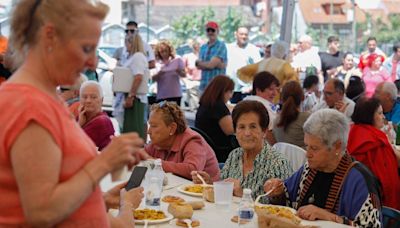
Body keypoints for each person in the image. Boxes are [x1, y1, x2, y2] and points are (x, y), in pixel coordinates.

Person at [0, 0, 148, 226]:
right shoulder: (30, 105)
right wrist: (105, 162)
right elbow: (42, 212)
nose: (92, 62)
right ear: (50, 36)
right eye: (86, 48)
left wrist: (97, 200)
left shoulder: (44, 98)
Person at [264, 109, 382, 227]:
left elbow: (371, 226)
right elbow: (287, 201)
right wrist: (277, 192)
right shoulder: (309, 169)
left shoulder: (360, 181)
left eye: (314, 148)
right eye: (307, 146)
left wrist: (328, 216)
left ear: (337, 146)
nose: (307, 154)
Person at [192, 100, 292, 199]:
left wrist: (242, 195)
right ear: (235, 132)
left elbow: (280, 209)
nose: (247, 133)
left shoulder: (278, 164)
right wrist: (209, 183)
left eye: (253, 127)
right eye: (241, 127)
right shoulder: (234, 155)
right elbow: (223, 188)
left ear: (264, 131)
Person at [145, 101, 220, 181]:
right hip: (177, 188)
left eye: (154, 126)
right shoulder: (159, 142)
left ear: (172, 128)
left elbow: (193, 170)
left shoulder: (193, 141)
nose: (148, 131)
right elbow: (142, 157)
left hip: (206, 191)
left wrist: (155, 163)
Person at [347, 97, 400, 210]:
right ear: (369, 116)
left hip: (353, 196)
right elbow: (388, 182)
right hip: (377, 202)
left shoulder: (352, 131)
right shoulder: (377, 141)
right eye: (380, 113)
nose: (384, 117)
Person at [195, 75, 235, 162]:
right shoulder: (219, 107)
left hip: (205, 147)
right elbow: (230, 130)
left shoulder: (205, 104)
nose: (231, 96)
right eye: (230, 92)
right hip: (219, 150)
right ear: (223, 91)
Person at [119, 34, 149, 139]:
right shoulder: (136, 56)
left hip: (136, 99)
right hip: (134, 97)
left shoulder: (137, 57)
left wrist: (130, 96)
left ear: (130, 43)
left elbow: (138, 77)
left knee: (134, 132)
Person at [243, 71, 280, 145]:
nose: (275, 93)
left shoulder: (246, 101)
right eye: (271, 89)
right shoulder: (260, 107)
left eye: (276, 89)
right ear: (258, 90)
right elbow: (268, 133)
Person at [78, 81, 115, 151]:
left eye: (93, 97)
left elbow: (74, 145)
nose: (88, 101)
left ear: (102, 100)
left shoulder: (101, 121)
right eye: (84, 97)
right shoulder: (81, 116)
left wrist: (79, 126)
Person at [273, 81, 310, 149]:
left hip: (281, 159)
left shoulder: (276, 121)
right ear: (303, 97)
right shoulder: (307, 118)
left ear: (281, 99)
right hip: (304, 159)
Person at [226, 26, 262, 95]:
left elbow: (258, 70)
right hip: (231, 88)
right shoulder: (228, 48)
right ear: (235, 34)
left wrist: (252, 87)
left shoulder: (253, 50)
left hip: (246, 89)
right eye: (241, 34)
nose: (244, 36)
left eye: (246, 34)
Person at [196, 21, 227, 92]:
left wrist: (203, 64)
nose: (210, 32)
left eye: (212, 30)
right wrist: (215, 64)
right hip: (204, 86)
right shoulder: (203, 47)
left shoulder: (221, 45)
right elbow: (198, 66)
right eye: (208, 30)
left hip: (217, 87)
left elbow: (211, 65)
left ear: (217, 31)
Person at [153, 39, 185, 104]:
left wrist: (178, 71)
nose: (164, 53)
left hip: (175, 94)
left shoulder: (177, 59)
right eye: (162, 52)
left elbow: (184, 74)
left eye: (166, 51)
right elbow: (153, 79)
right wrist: (159, 74)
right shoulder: (157, 63)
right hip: (162, 95)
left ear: (170, 50)